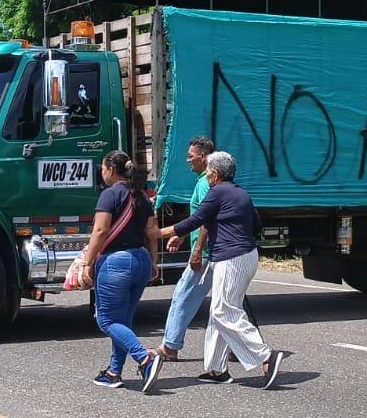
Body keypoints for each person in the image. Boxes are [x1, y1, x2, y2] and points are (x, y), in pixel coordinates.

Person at [158, 151, 284, 388]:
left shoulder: (217, 192)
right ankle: (217, 369)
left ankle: (265, 355)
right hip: (247, 256)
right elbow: (256, 224)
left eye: (208, 172)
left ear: (214, 174)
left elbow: (195, 221)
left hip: (231, 258)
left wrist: (159, 233)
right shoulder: (240, 193)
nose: (206, 175)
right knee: (221, 310)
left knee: (223, 310)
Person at [77, 150, 161, 391]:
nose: (101, 172)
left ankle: (145, 358)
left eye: (103, 168)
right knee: (123, 320)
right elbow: (151, 233)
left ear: (111, 170)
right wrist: (154, 262)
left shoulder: (109, 195)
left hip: (116, 263)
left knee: (106, 320)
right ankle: (114, 372)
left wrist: (87, 262)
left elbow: (101, 232)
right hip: (141, 260)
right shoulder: (143, 197)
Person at [153, 136, 217, 361]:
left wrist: (197, 251)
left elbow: (208, 220)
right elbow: (198, 218)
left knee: (183, 295)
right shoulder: (206, 181)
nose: (187, 161)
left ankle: (170, 346)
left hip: (207, 254)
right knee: (228, 303)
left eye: (190, 156)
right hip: (214, 253)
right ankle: (238, 347)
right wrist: (181, 236)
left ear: (202, 156)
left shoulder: (205, 183)